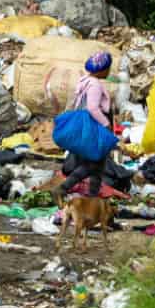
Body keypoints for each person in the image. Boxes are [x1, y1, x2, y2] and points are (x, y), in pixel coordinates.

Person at [59, 51, 116, 198]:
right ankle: (63, 188)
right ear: (102, 70)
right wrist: (106, 124)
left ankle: (93, 196)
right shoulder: (95, 85)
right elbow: (92, 108)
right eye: (108, 68)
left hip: (87, 126)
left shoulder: (85, 81)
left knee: (99, 164)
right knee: (93, 164)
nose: (109, 71)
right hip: (95, 127)